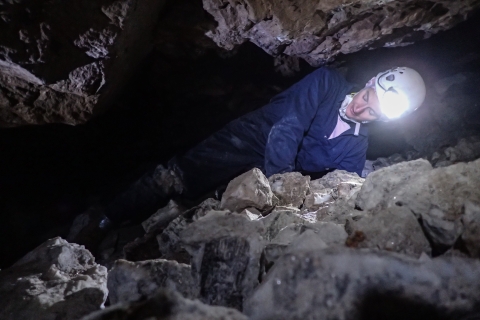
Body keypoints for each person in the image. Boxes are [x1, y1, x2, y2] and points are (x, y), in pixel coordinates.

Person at [70, 66, 426, 243]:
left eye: (373, 112)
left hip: (271, 176)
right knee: (175, 178)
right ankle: (108, 217)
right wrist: (281, 189)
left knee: (200, 208)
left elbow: (346, 184)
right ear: (369, 83)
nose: (363, 109)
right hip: (249, 140)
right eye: (368, 97)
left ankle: (143, 239)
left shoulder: (355, 145)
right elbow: (287, 127)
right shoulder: (327, 82)